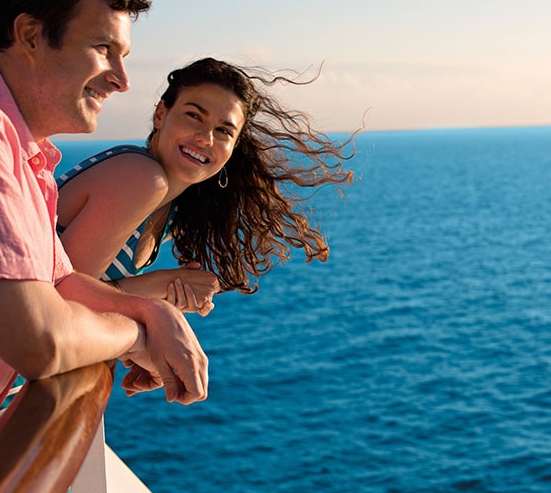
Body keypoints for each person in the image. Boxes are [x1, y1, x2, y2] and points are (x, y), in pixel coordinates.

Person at [0, 0, 208, 455]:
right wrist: (136, 335)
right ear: (30, 35)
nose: (122, 80)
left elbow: (59, 283)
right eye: (104, 49)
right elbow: (41, 340)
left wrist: (153, 313)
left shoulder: (23, 150)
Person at [55, 57, 355, 315]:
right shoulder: (140, 177)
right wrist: (156, 289)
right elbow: (58, 304)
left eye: (223, 131)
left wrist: (151, 324)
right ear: (161, 114)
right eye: (194, 116)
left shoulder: (169, 212)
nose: (205, 138)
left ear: (234, 148)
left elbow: (85, 306)